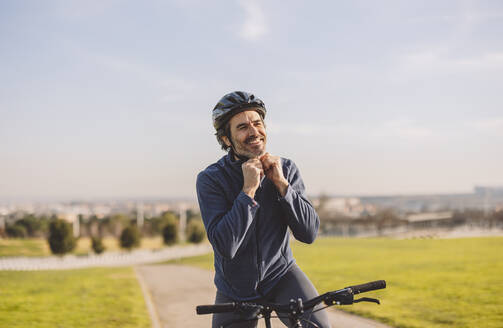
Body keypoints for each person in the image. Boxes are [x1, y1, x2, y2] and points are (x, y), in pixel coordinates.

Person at [196, 91, 330, 328]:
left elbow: (308, 233)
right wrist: (248, 190)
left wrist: (282, 185)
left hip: (282, 276)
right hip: (235, 288)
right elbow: (225, 245)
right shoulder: (211, 179)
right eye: (243, 127)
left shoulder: (286, 168)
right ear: (226, 139)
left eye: (257, 123)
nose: (254, 131)